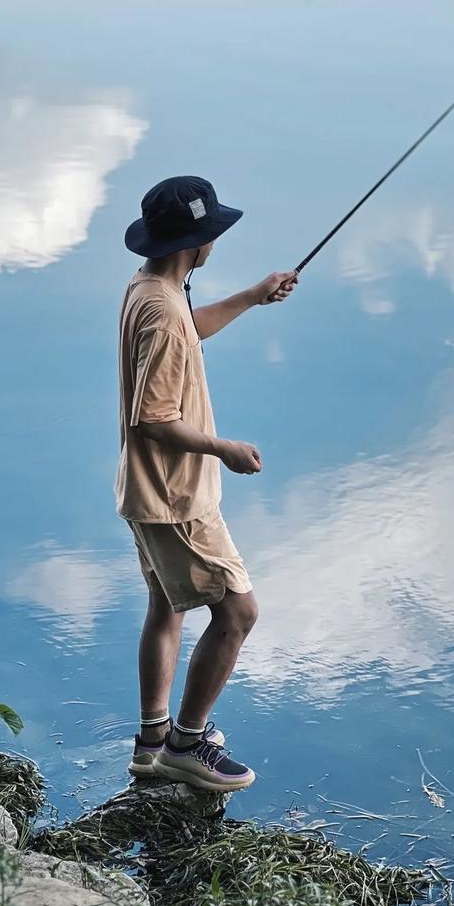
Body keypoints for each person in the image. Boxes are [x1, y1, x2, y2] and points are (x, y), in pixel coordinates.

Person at [116, 175, 297, 792]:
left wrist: (251, 296)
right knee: (239, 612)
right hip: (177, 497)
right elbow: (155, 419)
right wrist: (223, 449)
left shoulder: (148, 290)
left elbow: (184, 331)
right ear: (199, 241)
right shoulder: (164, 315)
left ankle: (151, 741)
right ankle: (187, 745)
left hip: (144, 491)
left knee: (166, 606)